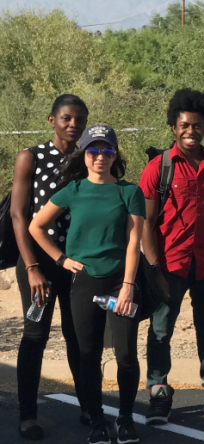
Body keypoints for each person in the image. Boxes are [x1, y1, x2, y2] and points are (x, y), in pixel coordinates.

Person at [30, 125, 146, 444]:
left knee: (126, 354)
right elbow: (36, 225)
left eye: (107, 151)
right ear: (84, 155)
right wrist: (60, 259)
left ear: (115, 155)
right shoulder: (74, 190)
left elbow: (134, 241)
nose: (100, 157)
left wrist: (128, 284)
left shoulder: (129, 192)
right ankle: (96, 420)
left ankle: (125, 418)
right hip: (85, 282)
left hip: (120, 282)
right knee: (88, 354)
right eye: (93, 151)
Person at [141, 89, 204, 423]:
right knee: (160, 330)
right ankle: (158, 393)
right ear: (173, 126)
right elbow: (146, 224)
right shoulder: (158, 168)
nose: (191, 131)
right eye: (184, 125)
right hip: (169, 265)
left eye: (197, 126)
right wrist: (153, 268)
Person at [11, 94, 89, 440]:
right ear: (52, 120)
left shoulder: (87, 158)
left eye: (80, 120)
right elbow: (19, 215)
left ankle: (89, 408)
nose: (73, 125)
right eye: (67, 118)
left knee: (78, 335)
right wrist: (31, 267)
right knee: (35, 335)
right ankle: (28, 416)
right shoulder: (31, 157)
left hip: (74, 264)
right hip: (38, 263)